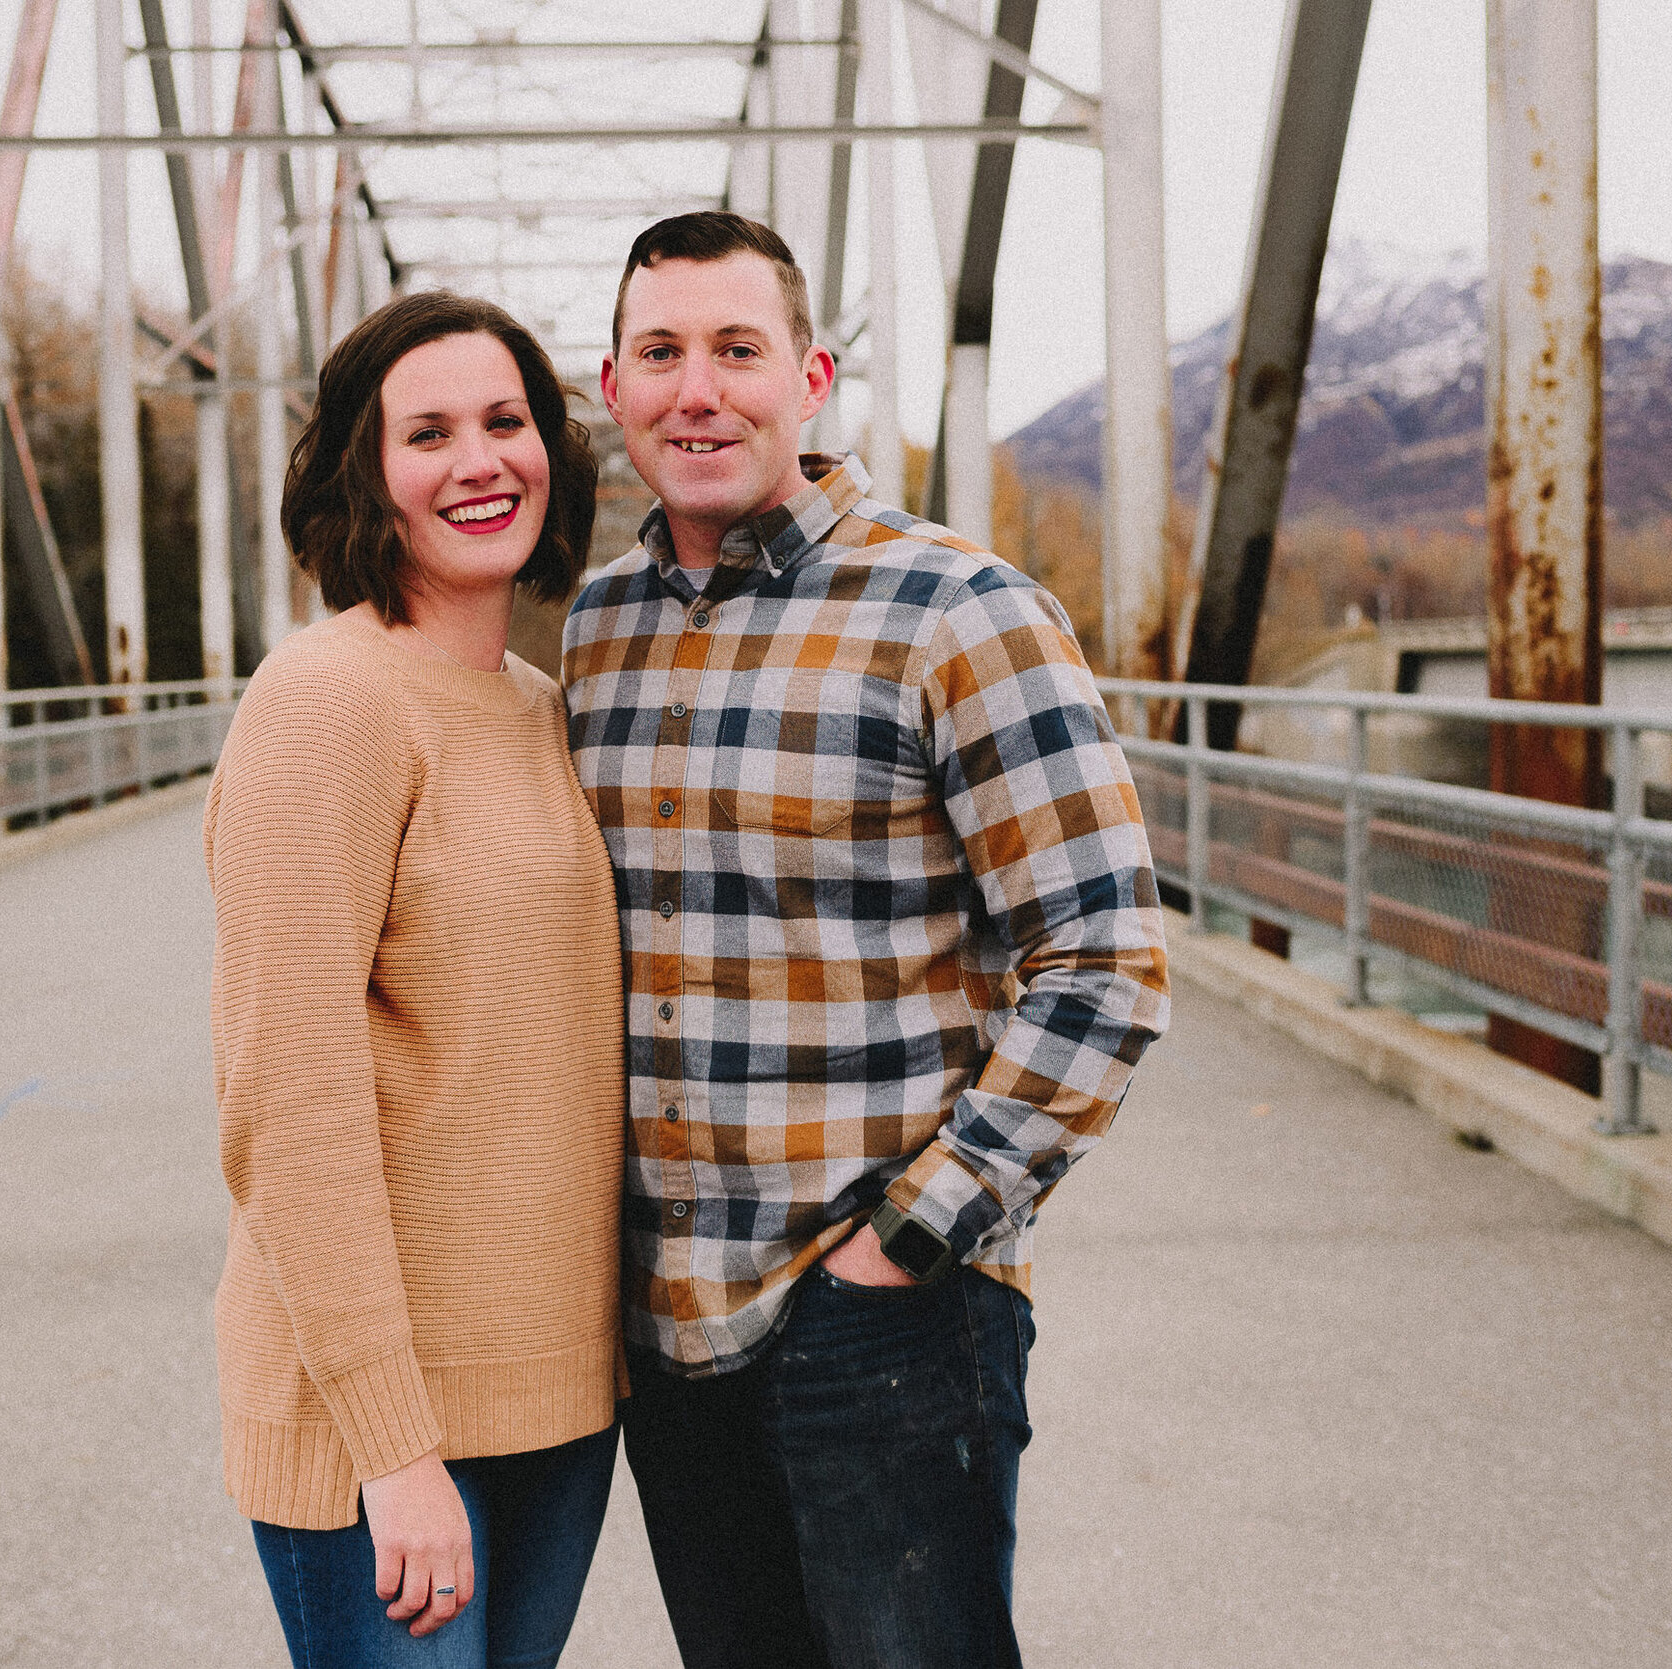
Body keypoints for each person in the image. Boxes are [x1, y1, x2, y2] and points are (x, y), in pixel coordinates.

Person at [563, 211, 1174, 1668]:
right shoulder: (591, 635)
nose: (697, 390)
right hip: (668, 1327)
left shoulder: (958, 611)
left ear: (813, 375)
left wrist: (908, 1242)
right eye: (662, 353)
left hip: (886, 1317)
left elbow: (1105, 958)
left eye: (737, 350)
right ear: (611, 386)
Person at [205, 289, 624, 1668]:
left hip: (555, 1400)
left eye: (507, 421)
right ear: (361, 474)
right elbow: (291, 1098)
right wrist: (393, 1446)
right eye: (428, 431)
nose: (479, 459)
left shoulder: (541, 710)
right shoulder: (327, 702)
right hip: (382, 1427)